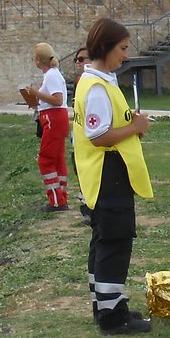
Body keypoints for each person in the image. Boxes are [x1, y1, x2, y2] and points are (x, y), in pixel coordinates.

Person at [72, 17, 153, 336]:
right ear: (105, 47)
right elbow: (98, 135)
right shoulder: (95, 86)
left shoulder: (98, 81)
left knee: (105, 240)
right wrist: (134, 128)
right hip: (108, 174)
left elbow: (105, 127)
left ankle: (107, 303)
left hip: (105, 174)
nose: (126, 54)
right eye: (122, 48)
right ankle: (111, 317)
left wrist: (129, 127)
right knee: (114, 241)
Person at [24, 42, 70, 210]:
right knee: (57, 159)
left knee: (45, 159)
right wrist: (36, 102)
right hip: (55, 118)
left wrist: (36, 93)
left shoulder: (51, 75)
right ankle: (61, 196)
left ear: (38, 60)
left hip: (53, 119)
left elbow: (57, 100)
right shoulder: (53, 74)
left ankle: (56, 200)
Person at [70, 45, 91, 222]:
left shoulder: (94, 82)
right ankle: (86, 205)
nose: (79, 63)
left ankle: (89, 208)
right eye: (77, 60)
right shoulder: (80, 81)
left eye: (82, 59)